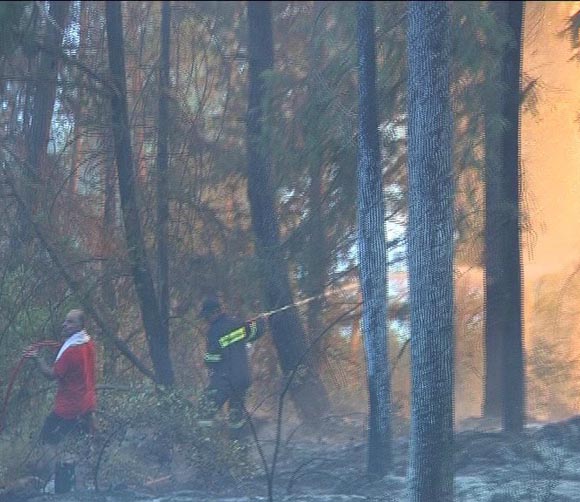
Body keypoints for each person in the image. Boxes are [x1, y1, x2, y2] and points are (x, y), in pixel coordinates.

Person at [26, 309, 97, 492]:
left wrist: (37, 359)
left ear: (81, 326)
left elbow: (52, 374)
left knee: (48, 439)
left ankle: (54, 480)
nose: (65, 325)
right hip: (87, 403)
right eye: (66, 321)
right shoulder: (87, 343)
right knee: (82, 443)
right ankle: (83, 484)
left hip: (68, 408)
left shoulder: (71, 352)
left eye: (71, 322)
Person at [198, 295, 265, 438]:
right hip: (242, 378)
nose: (206, 320)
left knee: (205, 410)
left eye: (207, 316)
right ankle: (239, 447)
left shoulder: (214, 331)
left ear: (215, 312)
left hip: (225, 379)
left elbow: (214, 357)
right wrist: (259, 321)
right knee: (236, 416)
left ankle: (204, 445)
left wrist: (206, 359)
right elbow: (256, 331)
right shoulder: (237, 324)